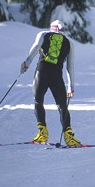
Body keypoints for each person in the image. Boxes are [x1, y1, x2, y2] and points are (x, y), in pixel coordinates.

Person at [20, 19, 81, 147]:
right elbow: (70, 67)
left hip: (41, 73)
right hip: (56, 76)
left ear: (51, 28)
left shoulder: (43, 35)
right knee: (62, 106)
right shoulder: (69, 42)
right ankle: (69, 136)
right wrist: (71, 86)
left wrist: (27, 63)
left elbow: (36, 47)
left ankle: (42, 133)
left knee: (38, 101)